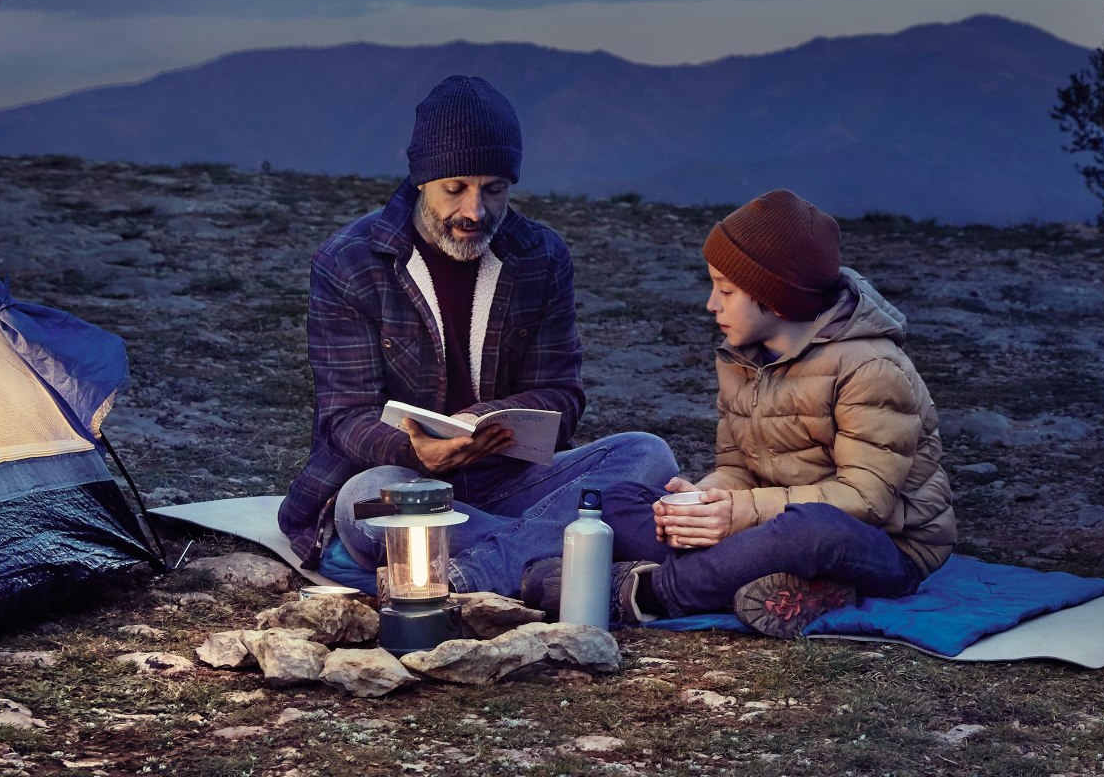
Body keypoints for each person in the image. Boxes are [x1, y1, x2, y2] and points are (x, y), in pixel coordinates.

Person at [275, 75, 679, 590]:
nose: (475, 210)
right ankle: (569, 557)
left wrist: (480, 423)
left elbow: (563, 394)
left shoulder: (541, 255)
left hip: (509, 480)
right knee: (367, 504)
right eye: (455, 188)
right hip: (405, 483)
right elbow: (344, 417)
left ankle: (492, 568)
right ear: (421, 180)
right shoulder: (350, 261)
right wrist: (415, 452)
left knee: (647, 454)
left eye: (494, 189)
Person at [521, 189, 958, 637]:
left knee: (813, 532)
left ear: (778, 298)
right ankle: (778, 582)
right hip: (767, 522)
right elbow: (738, 467)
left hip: (885, 546)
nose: (713, 304)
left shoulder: (871, 368)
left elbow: (867, 500)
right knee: (617, 499)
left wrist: (738, 513)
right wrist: (705, 497)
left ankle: (646, 593)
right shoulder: (742, 357)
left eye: (726, 290)